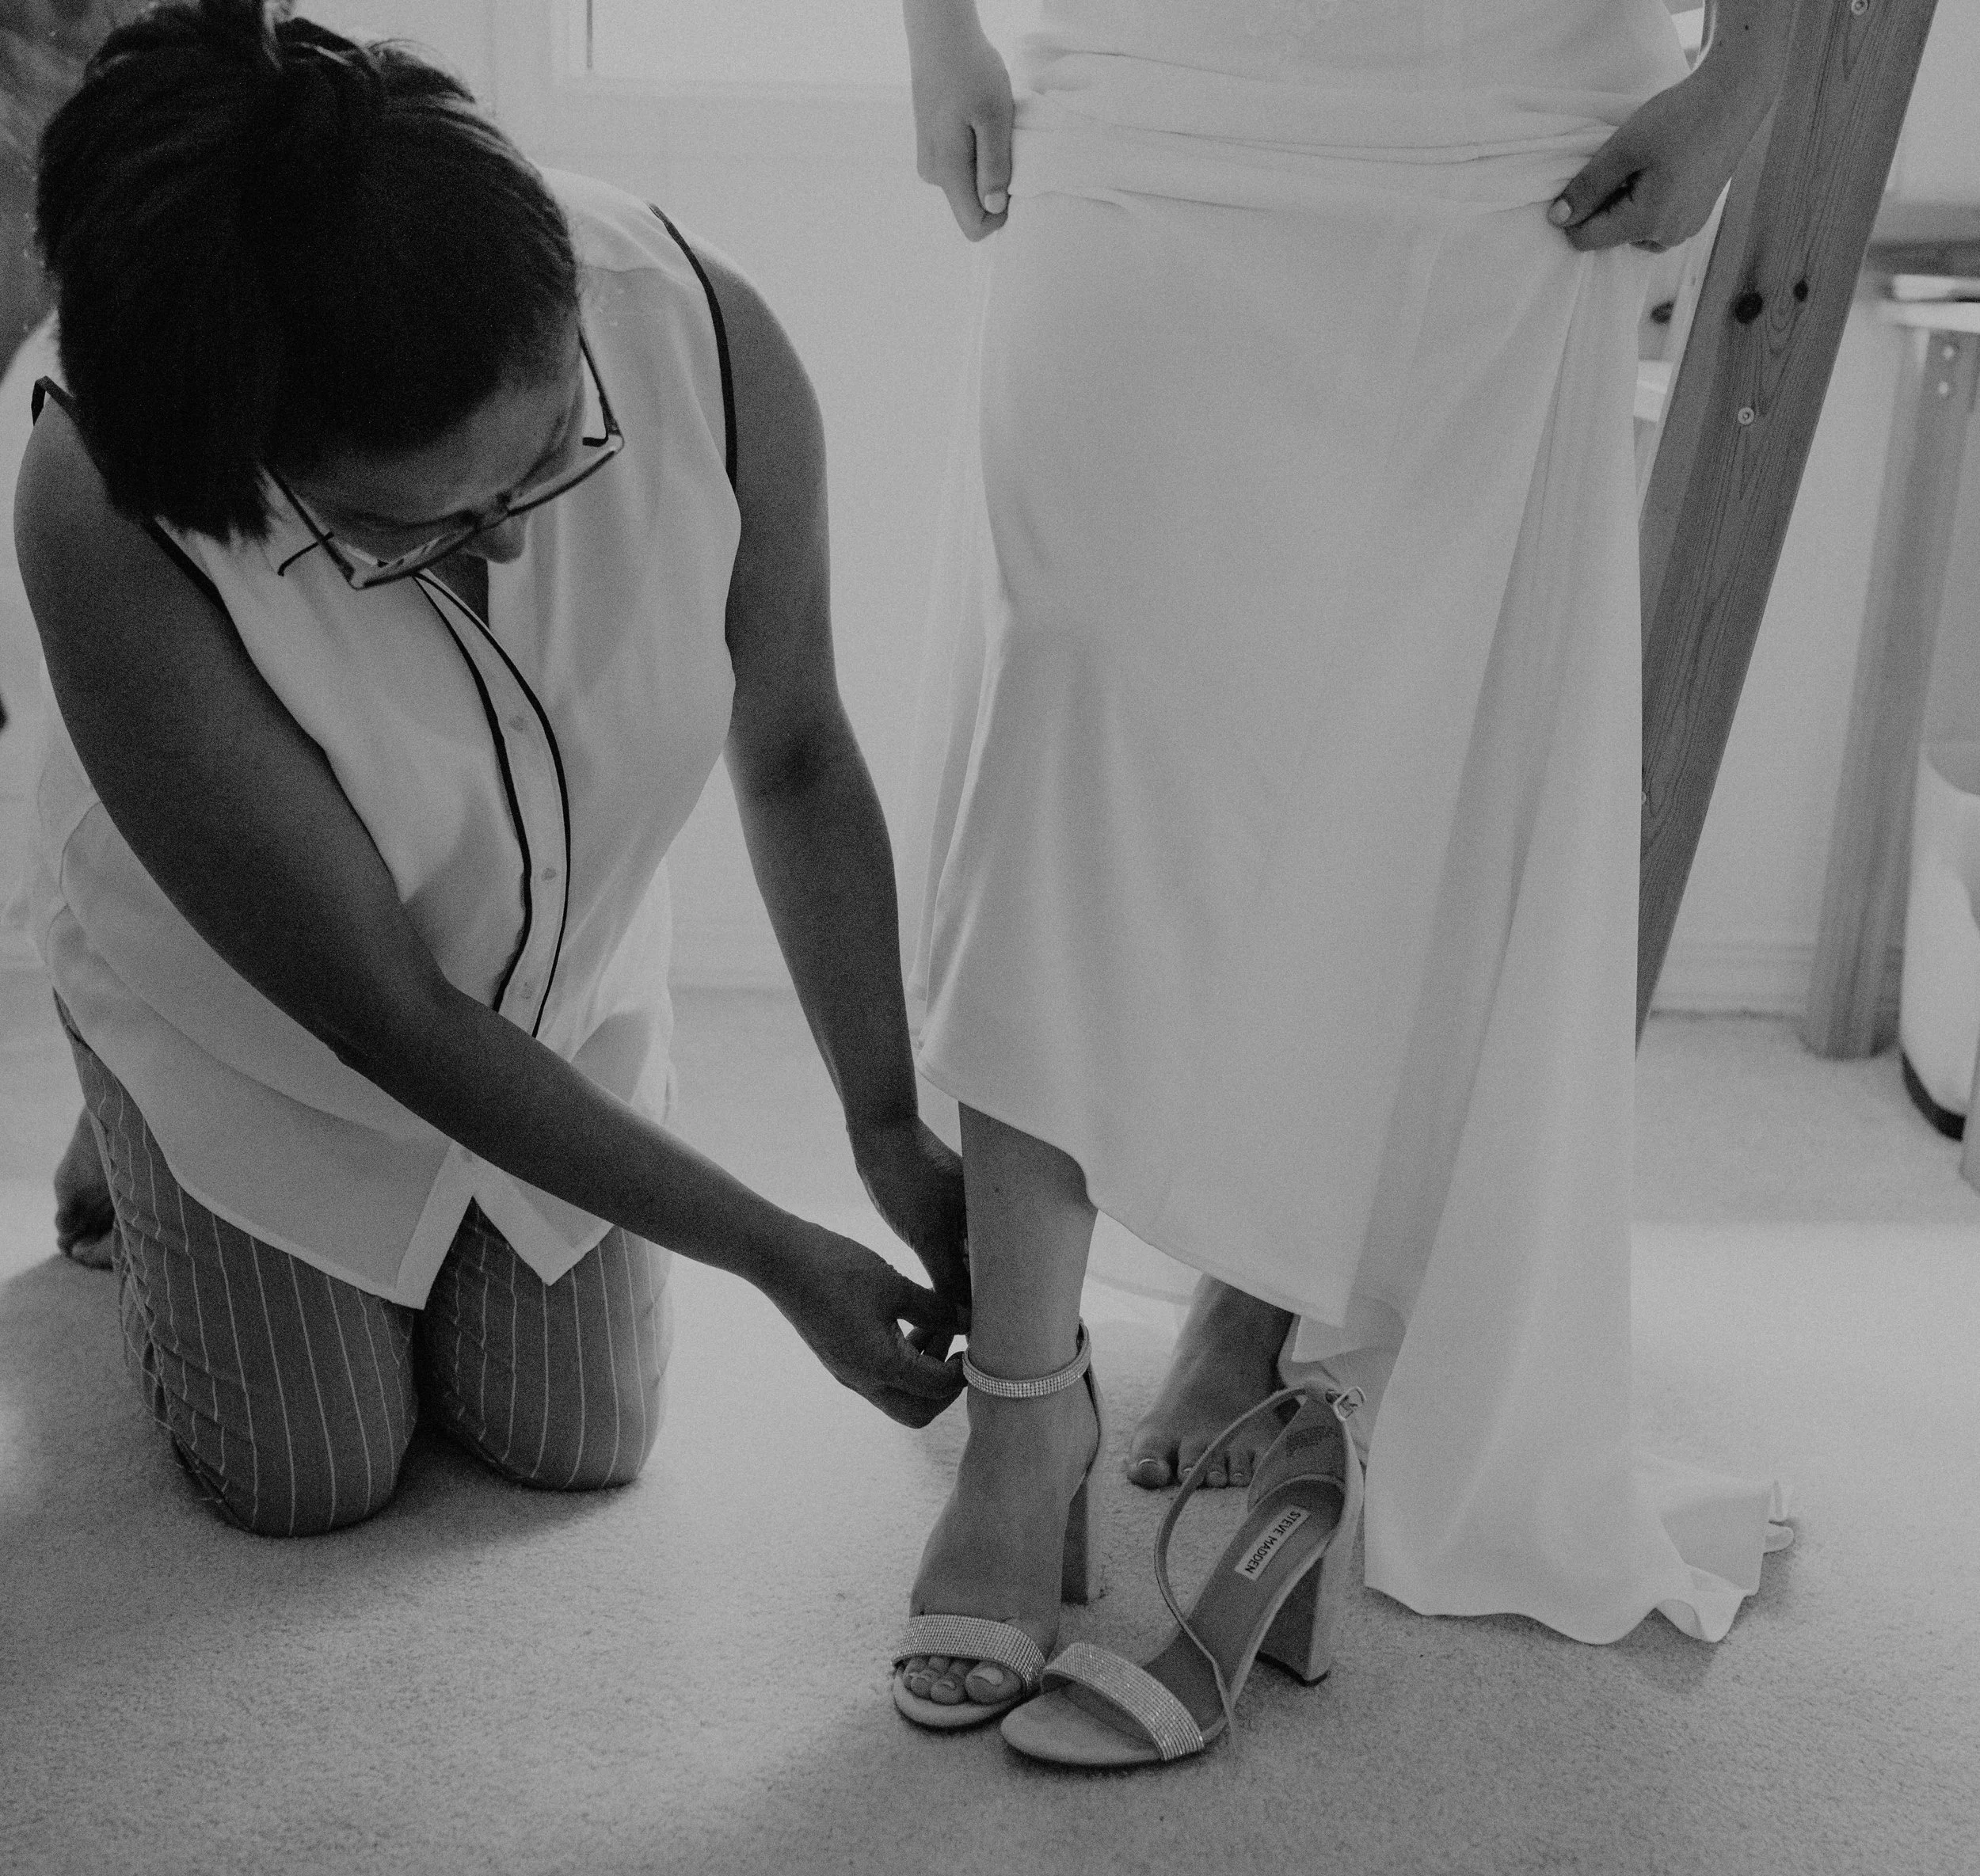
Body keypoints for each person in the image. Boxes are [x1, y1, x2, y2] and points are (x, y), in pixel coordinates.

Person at [892, 0, 1792, 1743]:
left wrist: (1744, 71)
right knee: (1068, 682)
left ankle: (1260, 1287)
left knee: (1378, 717)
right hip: (1147, 79)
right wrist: (930, 29)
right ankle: (1022, 1409)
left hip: (1490, 107)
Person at [8, 0, 969, 1537]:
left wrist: (881, 1125)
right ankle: (122, 1096)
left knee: (571, 1438)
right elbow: (378, 1003)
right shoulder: (104, 507)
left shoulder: (706, 332)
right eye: (427, 528)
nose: (517, 536)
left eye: (552, 450)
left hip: (548, 966)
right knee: (308, 1472)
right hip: (274, 1001)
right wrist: (774, 1248)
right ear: (266, 465)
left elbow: (786, 746)